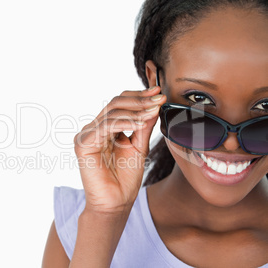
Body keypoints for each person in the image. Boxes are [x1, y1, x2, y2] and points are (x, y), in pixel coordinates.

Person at [42, 0, 268, 267]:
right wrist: (104, 217)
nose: (231, 143)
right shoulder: (80, 227)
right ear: (155, 82)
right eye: (199, 98)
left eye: (266, 106)